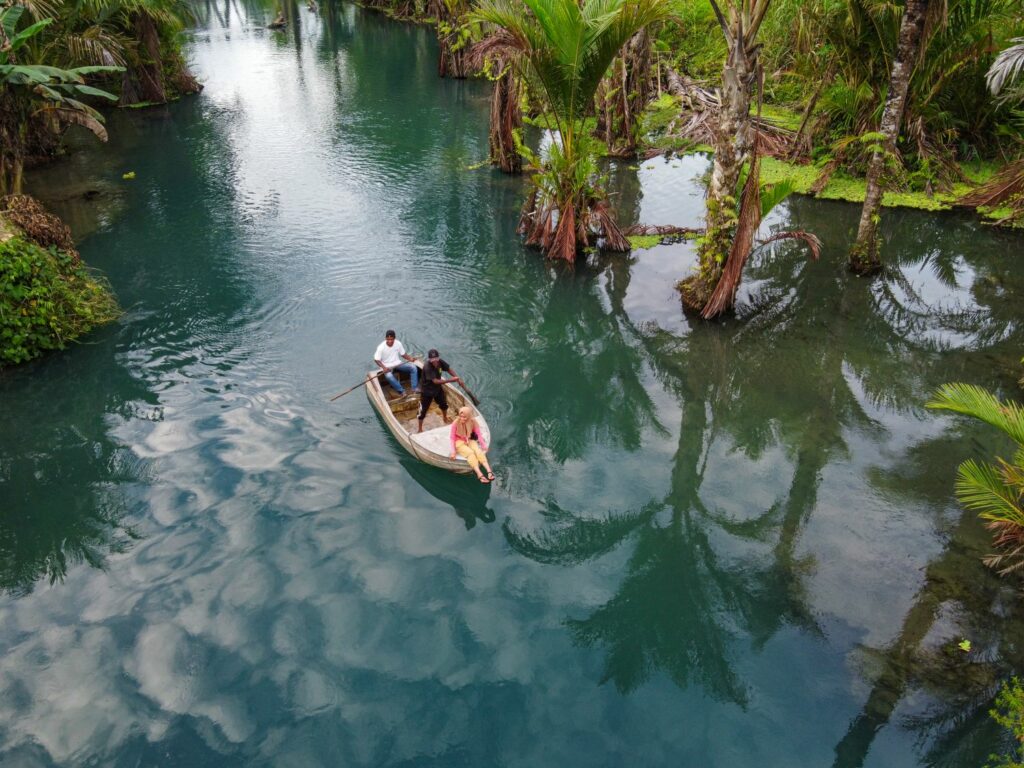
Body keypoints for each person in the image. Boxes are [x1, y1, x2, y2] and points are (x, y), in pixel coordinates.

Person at [417, 348, 461, 433]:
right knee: (423, 411)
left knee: (444, 404)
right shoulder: (427, 367)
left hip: (437, 389)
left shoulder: (440, 362)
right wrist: (451, 380)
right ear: (429, 360)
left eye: (436, 359)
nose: (435, 361)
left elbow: (448, 369)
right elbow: (435, 381)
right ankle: (420, 429)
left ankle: (444, 418)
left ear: (438, 358)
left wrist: (457, 378)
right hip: (427, 391)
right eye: (432, 359)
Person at [450, 406, 494, 483]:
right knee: (470, 453)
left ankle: (489, 471)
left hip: (469, 439)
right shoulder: (456, 423)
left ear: (469, 416)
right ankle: (479, 474)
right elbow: (452, 437)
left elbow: (479, 434)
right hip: (459, 441)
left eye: (465, 417)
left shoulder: (473, 421)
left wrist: (483, 445)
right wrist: (453, 451)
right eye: (461, 416)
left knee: (478, 451)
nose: (462, 418)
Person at [374, 330, 418, 396]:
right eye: (388, 339)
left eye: (391, 339)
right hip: (387, 366)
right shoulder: (381, 347)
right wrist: (384, 368)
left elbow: (403, 354)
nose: (390, 341)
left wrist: (410, 358)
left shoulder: (398, 343)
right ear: (385, 338)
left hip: (397, 363)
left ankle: (414, 388)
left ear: (394, 338)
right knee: (389, 376)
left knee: (413, 367)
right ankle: (402, 391)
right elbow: (376, 359)